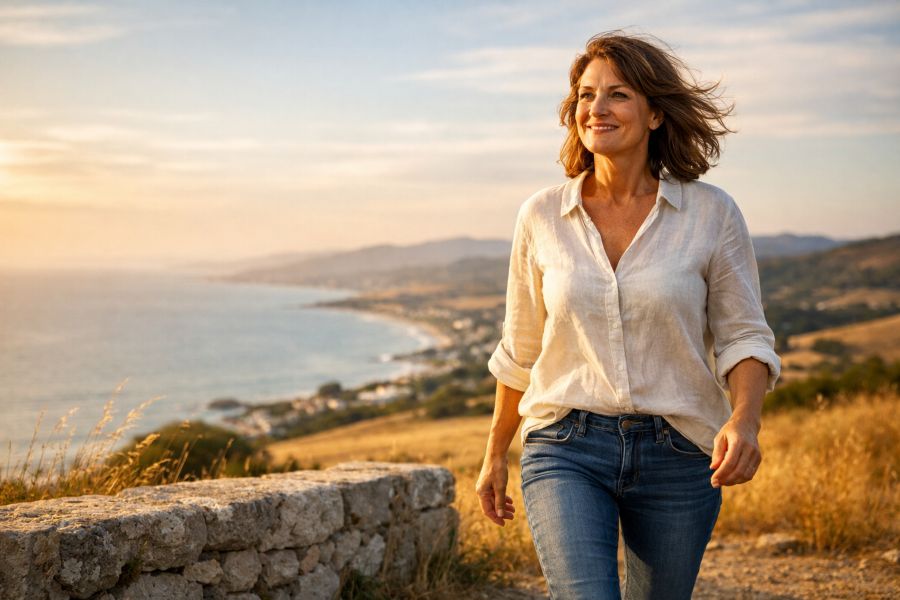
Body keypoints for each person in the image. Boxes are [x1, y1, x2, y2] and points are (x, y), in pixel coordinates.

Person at [475, 31, 781, 600]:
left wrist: (744, 420)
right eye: (586, 95)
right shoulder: (542, 215)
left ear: (655, 114)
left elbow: (744, 336)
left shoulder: (711, 213)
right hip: (566, 444)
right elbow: (521, 347)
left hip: (680, 452)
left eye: (617, 94)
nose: (596, 108)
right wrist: (495, 454)